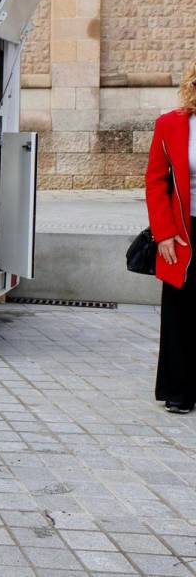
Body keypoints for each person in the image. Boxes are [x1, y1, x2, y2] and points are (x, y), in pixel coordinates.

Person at [144, 61, 196, 414]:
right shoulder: (171, 124)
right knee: (179, 311)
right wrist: (163, 234)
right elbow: (155, 181)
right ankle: (178, 390)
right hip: (182, 232)